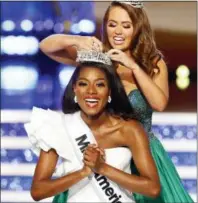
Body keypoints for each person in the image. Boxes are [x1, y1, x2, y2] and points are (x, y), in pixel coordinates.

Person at [39, 1, 193, 203]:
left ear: (137, 28)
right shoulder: (98, 58)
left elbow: (159, 103)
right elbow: (46, 46)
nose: (118, 31)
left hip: (143, 159)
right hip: (103, 157)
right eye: (112, 25)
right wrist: (77, 39)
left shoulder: (152, 62)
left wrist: (134, 67)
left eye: (125, 25)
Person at [25, 51, 161, 202]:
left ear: (109, 91)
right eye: (83, 84)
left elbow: (152, 188)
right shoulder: (59, 126)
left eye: (100, 84)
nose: (91, 91)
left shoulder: (130, 130)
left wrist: (102, 168)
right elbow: (37, 191)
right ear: (75, 88)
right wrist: (83, 172)